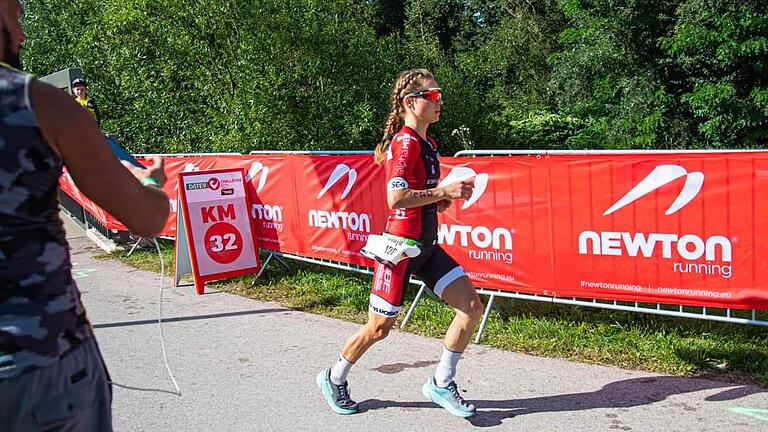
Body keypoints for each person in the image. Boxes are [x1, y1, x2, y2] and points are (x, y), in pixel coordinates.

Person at [0, 1, 169, 430]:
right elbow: (147, 219)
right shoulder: (37, 102)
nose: (22, 35)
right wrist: (151, 182)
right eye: (18, 19)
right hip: (41, 366)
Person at [316, 69, 484, 418]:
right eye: (433, 95)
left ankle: (441, 382)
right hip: (399, 250)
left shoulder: (428, 144)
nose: (440, 101)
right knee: (379, 329)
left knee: (470, 307)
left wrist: (438, 201)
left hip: (426, 247)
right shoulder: (405, 142)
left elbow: (416, 196)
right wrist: (443, 192)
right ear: (411, 102)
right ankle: (334, 377)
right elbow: (396, 198)